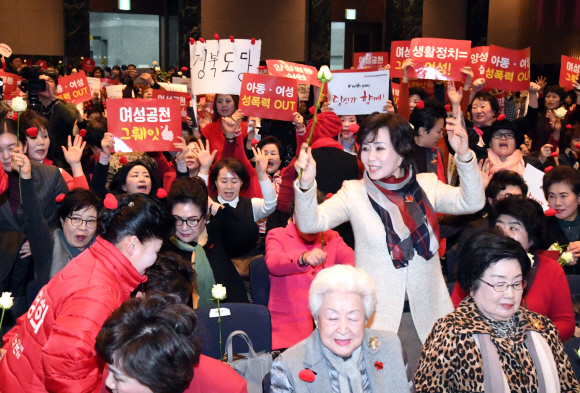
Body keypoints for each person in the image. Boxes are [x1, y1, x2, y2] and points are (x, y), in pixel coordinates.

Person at [0, 193, 172, 392]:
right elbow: (67, 371)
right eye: (156, 251)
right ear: (132, 245)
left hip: (20, 375)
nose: (155, 259)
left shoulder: (91, 260)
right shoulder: (99, 293)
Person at [415, 230, 579, 392]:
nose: (510, 294)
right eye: (499, 285)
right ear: (473, 285)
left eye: (516, 284)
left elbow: (569, 387)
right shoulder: (449, 333)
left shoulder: (542, 328)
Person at [270, 265, 414, 393]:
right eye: (332, 318)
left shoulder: (391, 346)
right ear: (317, 320)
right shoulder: (288, 366)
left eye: (353, 318)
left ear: (365, 319)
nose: (343, 329)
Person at [452, 196, 576, 341]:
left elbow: (565, 322)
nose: (503, 234)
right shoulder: (477, 264)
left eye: (513, 227)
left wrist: (535, 339)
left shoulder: (550, 269)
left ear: (531, 239)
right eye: (499, 227)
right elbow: (455, 311)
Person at [96, 294, 248, 393]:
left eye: (119, 378)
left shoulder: (226, 387)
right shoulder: (117, 363)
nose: (109, 383)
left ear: (156, 379)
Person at [266, 193, 355, 350]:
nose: (312, 224)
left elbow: (355, 263)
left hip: (329, 324)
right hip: (289, 327)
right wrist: (302, 258)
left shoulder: (331, 236)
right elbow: (274, 263)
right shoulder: (277, 235)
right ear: (294, 216)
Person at [164, 177, 249, 305]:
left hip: (231, 315)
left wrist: (213, 207)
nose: (184, 227)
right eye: (178, 219)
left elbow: (248, 230)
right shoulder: (164, 248)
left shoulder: (215, 235)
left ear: (204, 218)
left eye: (193, 220)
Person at [19, 109, 89, 189]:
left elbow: (83, 199)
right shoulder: (12, 173)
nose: (41, 142)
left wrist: (76, 165)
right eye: (33, 137)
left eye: (45, 136)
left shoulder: (58, 174)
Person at [543, 165, 580, 273]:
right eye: (552, 196)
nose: (557, 203)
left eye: (563, 196)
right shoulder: (541, 226)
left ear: (578, 198)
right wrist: (559, 261)